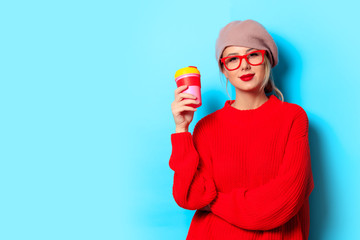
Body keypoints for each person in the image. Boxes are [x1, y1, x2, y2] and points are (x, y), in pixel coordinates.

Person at [169, 19, 314, 239]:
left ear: (267, 59)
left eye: (252, 55)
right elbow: (189, 197)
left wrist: (214, 201)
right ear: (224, 69)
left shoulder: (292, 118)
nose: (244, 66)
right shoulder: (205, 128)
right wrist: (182, 129)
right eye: (233, 59)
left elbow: (284, 201)